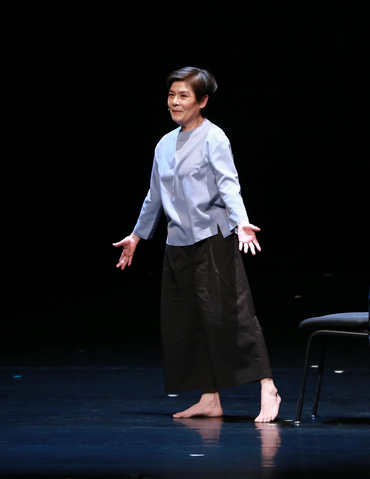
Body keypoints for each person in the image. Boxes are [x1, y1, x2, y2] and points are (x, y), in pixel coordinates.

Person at [113, 67, 280, 423]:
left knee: (230, 315)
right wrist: (137, 235)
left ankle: (268, 387)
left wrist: (241, 222)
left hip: (212, 238)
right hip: (177, 243)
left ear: (202, 101)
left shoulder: (213, 137)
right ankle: (209, 398)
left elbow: (228, 184)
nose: (174, 102)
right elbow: (154, 195)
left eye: (183, 96)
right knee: (187, 321)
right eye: (171, 95)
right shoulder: (164, 144)